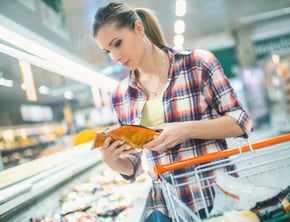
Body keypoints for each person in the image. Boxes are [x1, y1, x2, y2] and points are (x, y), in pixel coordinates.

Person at [92, 2, 253, 221]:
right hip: (170, 206)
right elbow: (135, 161)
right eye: (107, 51)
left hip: (217, 196)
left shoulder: (198, 64)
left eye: (117, 43)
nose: (116, 57)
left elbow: (241, 121)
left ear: (139, 28)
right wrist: (113, 161)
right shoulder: (121, 95)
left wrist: (186, 130)